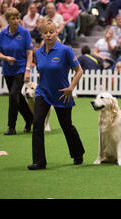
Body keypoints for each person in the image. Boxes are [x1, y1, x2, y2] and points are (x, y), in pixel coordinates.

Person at [28, 20, 84, 170]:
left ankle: (78, 153)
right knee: (38, 124)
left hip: (62, 94)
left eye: (51, 32)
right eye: (45, 32)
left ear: (56, 32)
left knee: (67, 126)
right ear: (42, 34)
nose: (48, 35)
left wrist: (71, 88)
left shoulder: (65, 50)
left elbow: (79, 71)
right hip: (43, 92)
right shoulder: (38, 52)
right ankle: (39, 161)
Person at [0, 7, 33, 135]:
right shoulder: (3, 34)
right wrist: (5, 58)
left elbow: (29, 53)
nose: (16, 20)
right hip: (7, 70)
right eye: (13, 18)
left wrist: (27, 70)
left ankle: (11, 126)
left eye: (18, 17)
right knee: (17, 97)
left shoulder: (24, 33)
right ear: (7, 20)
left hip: (21, 68)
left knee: (12, 95)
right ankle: (30, 119)